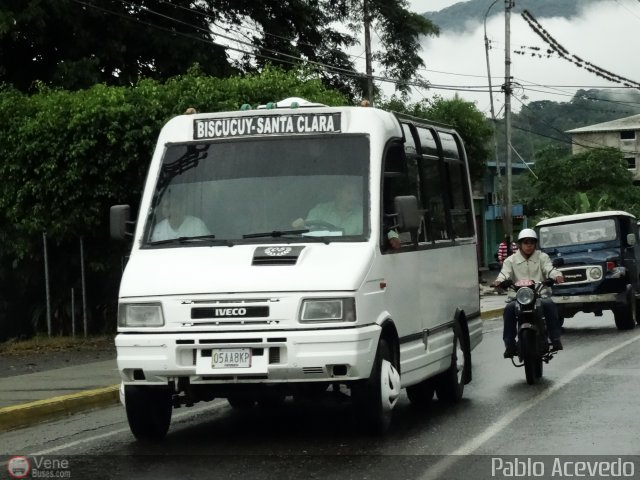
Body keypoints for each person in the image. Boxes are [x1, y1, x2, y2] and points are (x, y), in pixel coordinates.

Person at [491, 228, 565, 358]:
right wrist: (499, 281)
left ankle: (555, 339)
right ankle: (509, 345)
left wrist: (556, 276)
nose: (529, 245)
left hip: (540, 294)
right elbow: (504, 274)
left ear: (535, 244)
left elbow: (550, 269)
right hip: (517, 297)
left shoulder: (542, 257)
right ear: (520, 244)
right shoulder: (510, 260)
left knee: (549, 305)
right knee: (509, 309)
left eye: (531, 242)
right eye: (525, 242)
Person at [292, 181, 363, 235]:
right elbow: (307, 232)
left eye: (355, 193)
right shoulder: (320, 210)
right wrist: (300, 226)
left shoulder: (363, 214)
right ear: (338, 193)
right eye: (349, 193)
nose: (354, 198)